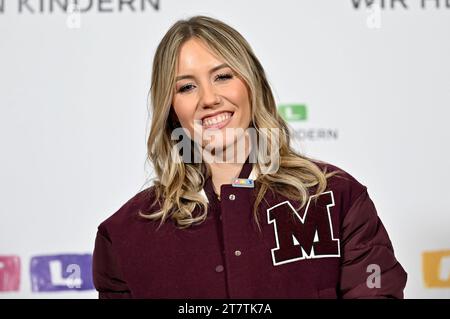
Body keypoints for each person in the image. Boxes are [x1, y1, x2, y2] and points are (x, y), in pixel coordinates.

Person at [92, 15, 407, 299]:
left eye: (223, 76)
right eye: (187, 87)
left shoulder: (336, 196)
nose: (210, 99)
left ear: (252, 84)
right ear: (171, 110)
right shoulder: (124, 234)